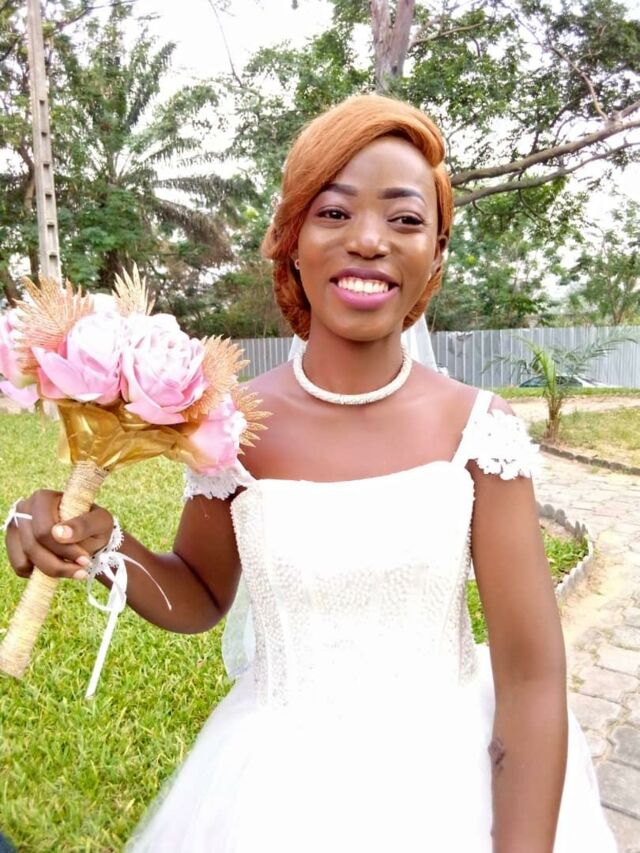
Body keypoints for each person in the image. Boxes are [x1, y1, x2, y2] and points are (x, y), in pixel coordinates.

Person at [5, 95, 617, 852]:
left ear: (436, 251)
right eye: (334, 213)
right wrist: (100, 545)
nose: (369, 240)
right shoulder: (230, 427)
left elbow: (531, 676)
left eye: (404, 219)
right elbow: (199, 595)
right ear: (292, 239)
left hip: (445, 784)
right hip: (271, 792)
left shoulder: (477, 430)